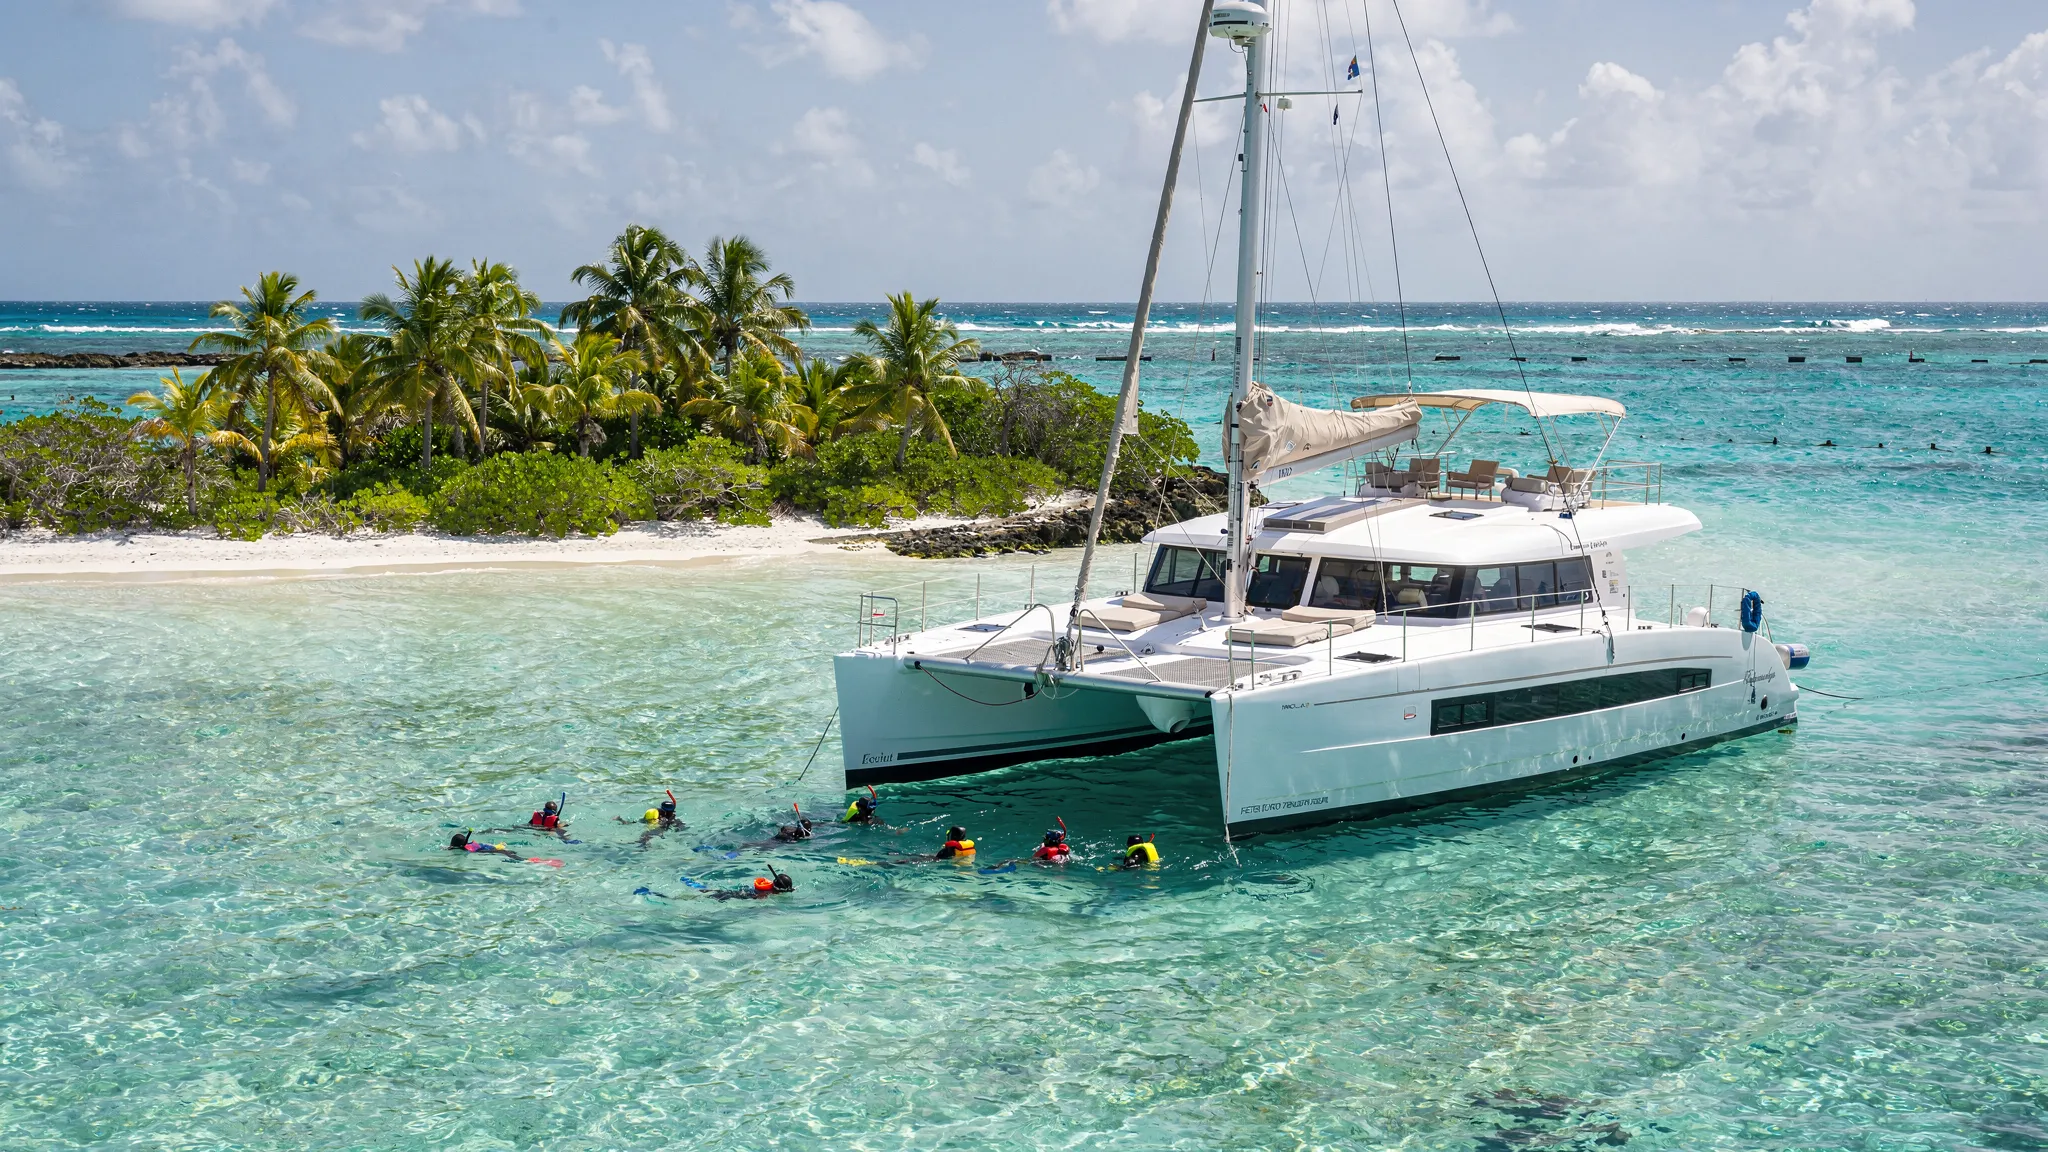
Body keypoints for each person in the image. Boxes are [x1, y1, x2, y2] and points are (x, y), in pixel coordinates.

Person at [708, 866, 795, 900]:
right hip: (744, 895)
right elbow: (757, 897)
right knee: (720, 896)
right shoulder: (767, 893)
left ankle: (705, 891)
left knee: (721, 892)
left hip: (746, 890)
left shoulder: (770, 888)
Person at [447, 830, 525, 862]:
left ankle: (526, 860)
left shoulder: (465, 849)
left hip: (489, 850)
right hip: (490, 846)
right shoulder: (469, 845)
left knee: (504, 853)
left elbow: (452, 848)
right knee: (507, 852)